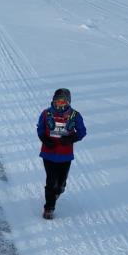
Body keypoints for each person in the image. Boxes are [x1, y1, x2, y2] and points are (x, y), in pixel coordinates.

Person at [37, 88, 86, 219]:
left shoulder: (75, 115)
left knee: (59, 184)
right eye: (57, 102)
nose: (60, 105)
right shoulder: (46, 114)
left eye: (63, 103)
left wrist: (71, 138)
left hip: (65, 156)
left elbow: (82, 132)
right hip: (48, 154)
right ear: (53, 101)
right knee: (51, 181)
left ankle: (60, 189)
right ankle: (49, 208)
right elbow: (40, 129)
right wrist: (45, 140)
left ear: (68, 103)